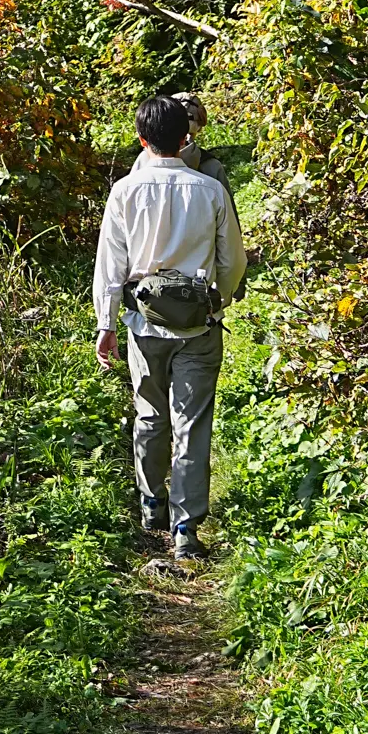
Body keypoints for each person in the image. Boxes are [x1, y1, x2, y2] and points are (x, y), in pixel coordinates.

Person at [93, 90, 246, 560]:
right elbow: (232, 261)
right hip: (199, 326)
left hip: (144, 323)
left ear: (142, 141)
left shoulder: (125, 191)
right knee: (192, 423)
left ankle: (151, 503)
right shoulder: (212, 189)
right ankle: (185, 526)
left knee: (150, 414)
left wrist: (107, 323)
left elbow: (110, 265)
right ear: (186, 138)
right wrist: (215, 302)